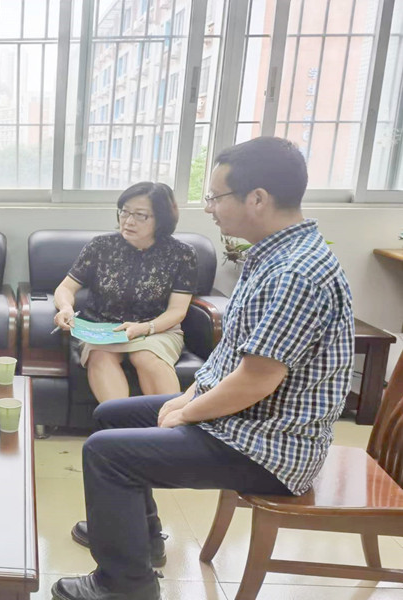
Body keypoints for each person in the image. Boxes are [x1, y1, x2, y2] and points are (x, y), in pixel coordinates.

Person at [52, 137, 354, 600]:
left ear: (257, 199)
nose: (209, 208)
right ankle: (139, 537)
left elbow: (257, 379)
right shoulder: (272, 255)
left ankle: (124, 586)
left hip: (269, 445)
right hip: (246, 421)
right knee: (111, 416)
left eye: (215, 197)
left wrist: (187, 412)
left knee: (105, 453)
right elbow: (233, 355)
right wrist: (188, 396)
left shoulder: (294, 272)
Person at [52, 182, 197, 403]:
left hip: (155, 329)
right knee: (100, 356)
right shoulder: (100, 246)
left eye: (140, 215)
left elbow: (177, 310)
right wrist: (65, 308)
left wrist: (145, 328)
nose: (128, 221)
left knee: (146, 357)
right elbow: (66, 287)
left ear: (161, 219)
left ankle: (168, 423)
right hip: (101, 328)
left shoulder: (182, 254)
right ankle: (119, 422)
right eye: (124, 212)